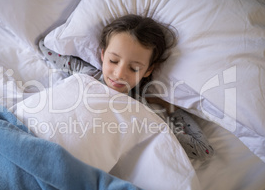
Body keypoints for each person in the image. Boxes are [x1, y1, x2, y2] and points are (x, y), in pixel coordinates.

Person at [39, 14, 214, 161]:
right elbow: (45, 46)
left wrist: (170, 107)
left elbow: (203, 150)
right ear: (102, 54)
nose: (119, 74)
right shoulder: (86, 73)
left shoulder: (144, 112)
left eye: (134, 68)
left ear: (148, 70)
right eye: (113, 61)